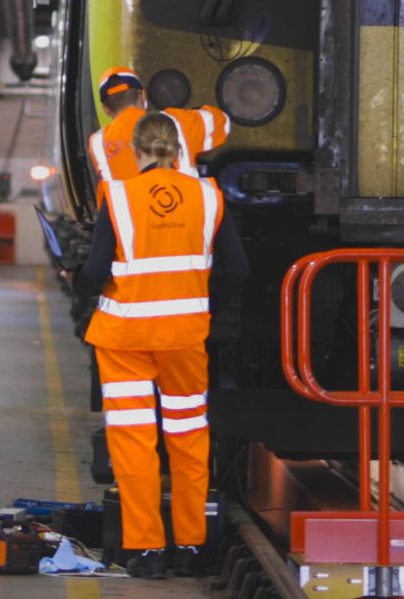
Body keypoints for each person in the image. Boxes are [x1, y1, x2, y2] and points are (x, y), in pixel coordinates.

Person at [73, 112, 249, 578]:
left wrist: (79, 281)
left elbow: (94, 273)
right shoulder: (209, 197)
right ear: (177, 149)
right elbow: (239, 269)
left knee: (134, 446)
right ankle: (191, 546)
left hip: (124, 341)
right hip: (185, 339)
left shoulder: (119, 196)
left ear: (135, 150)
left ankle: (147, 551)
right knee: (189, 441)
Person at [88, 66, 231, 187]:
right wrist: (193, 113)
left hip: (135, 219)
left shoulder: (97, 144)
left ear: (106, 109)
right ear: (142, 96)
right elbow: (223, 124)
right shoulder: (178, 121)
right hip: (187, 213)